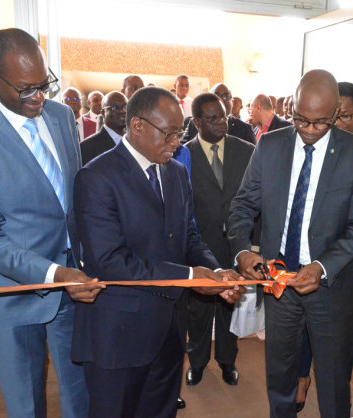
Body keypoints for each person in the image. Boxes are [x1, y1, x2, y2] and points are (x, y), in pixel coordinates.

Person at [0, 28, 103, 417]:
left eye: (44, 84)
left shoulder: (62, 116)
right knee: (26, 404)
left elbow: (73, 200)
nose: (38, 97)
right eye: (25, 88)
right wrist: (53, 273)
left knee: (81, 392)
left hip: (72, 285)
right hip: (9, 294)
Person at [71, 87, 244, 417]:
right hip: (119, 334)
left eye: (180, 133)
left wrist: (215, 272)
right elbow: (111, 262)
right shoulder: (96, 177)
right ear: (137, 126)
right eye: (169, 133)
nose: (176, 142)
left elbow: (188, 237)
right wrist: (190, 277)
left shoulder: (176, 172)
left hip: (169, 329)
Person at [228, 69, 353, 417]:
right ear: (290, 106)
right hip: (279, 279)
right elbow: (243, 204)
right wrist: (241, 251)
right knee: (279, 373)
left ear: (338, 111)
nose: (309, 131)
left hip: (330, 285)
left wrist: (323, 266)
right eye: (301, 120)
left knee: (332, 377)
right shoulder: (270, 144)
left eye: (321, 122)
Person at [295, 80, 353, 410]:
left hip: (349, 260)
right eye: (331, 117)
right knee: (302, 323)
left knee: (336, 337)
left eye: (344, 117)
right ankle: (301, 378)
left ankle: (329, 381)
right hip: (308, 254)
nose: (335, 125)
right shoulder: (310, 143)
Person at [184, 93, 256, 388]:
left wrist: (253, 245)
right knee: (198, 313)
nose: (220, 124)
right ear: (197, 122)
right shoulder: (182, 155)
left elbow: (256, 201)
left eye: (223, 117)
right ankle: (197, 363)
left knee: (231, 307)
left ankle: (228, 361)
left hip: (235, 247)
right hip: (200, 249)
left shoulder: (248, 151)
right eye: (212, 119)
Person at [183, 83, 255, 145]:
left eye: (226, 96)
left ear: (232, 101)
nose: (221, 100)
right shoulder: (194, 123)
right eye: (216, 96)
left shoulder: (245, 129)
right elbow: (181, 149)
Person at [80, 90, 127, 165]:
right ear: (103, 113)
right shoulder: (86, 147)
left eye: (125, 107)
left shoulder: (136, 142)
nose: (122, 111)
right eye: (115, 107)